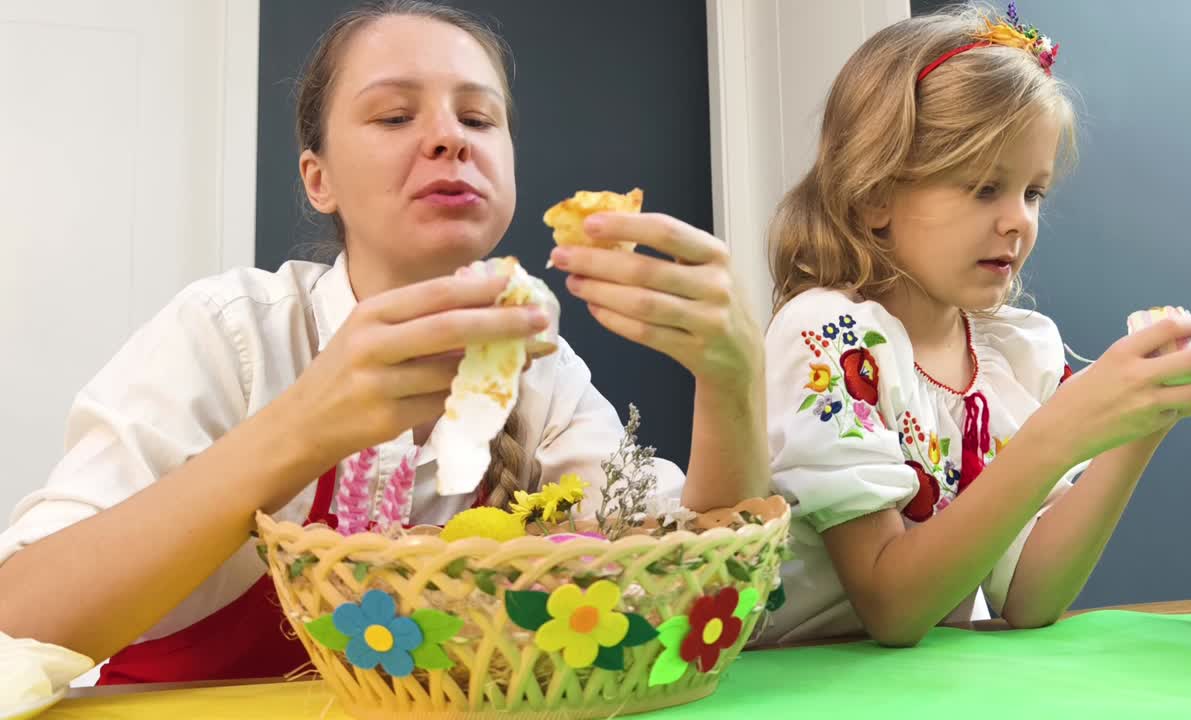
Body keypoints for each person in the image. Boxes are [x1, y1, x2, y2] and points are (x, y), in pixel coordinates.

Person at [0, 0, 767, 683]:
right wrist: (302, 428)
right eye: (395, 116)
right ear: (317, 179)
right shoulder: (231, 334)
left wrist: (732, 382)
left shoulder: (542, 373)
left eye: (478, 118)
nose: (447, 138)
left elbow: (689, 597)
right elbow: (19, 615)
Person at [760, 5, 1191, 646]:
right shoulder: (830, 337)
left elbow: (1029, 596)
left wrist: (1142, 421)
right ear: (876, 195)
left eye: (1033, 192)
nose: (1019, 221)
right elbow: (892, 606)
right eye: (984, 187)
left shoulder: (1015, 352)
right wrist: (1062, 432)